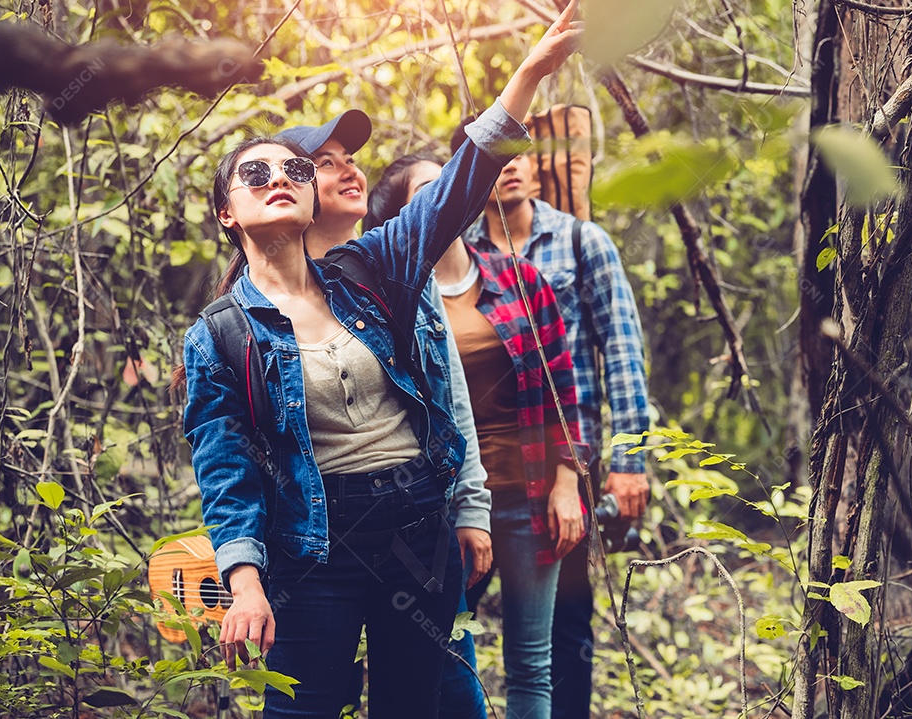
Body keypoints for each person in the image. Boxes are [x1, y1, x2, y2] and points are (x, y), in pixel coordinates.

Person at [179, 7, 582, 716]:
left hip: (417, 532)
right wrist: (244, 579)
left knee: (414, 705)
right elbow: (226, 469)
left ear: (309, 197)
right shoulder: (219, 334)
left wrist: (527, 75)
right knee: (303, 707)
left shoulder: (371, 268)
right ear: (227, 213)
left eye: (295, 168)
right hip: (312, 550)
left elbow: (456, 190)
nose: (282, 175)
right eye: (257, 171)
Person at [276, 97, 490, 719]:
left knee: (442, 688)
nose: (349, 170)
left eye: (351, 159)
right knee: (310, 694)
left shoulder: (402, 271)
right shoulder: (257, 305)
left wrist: (470, 506)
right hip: (316, 546)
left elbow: (450, 397)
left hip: (419, 524)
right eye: (324, 161)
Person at [366, 155, 586, 719]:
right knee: (442, 654)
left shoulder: (519, 277)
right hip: (444, 510)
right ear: (401, 218)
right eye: (430, 190)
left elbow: (564, 385)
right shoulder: (394, 299)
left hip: (529, 497)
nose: (451, 194)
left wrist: (567, 482)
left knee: (531, 664)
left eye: (452, 181)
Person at [452, 128, 651, 719]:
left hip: (568, 462)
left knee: (562, 628)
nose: (509, 169)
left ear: (538, 170)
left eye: (520, 159)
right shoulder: (454, 252)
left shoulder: (580, 240)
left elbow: (621, 351)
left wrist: (628, 463)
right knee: (449, 620)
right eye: (493, 161)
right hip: (477, 472)